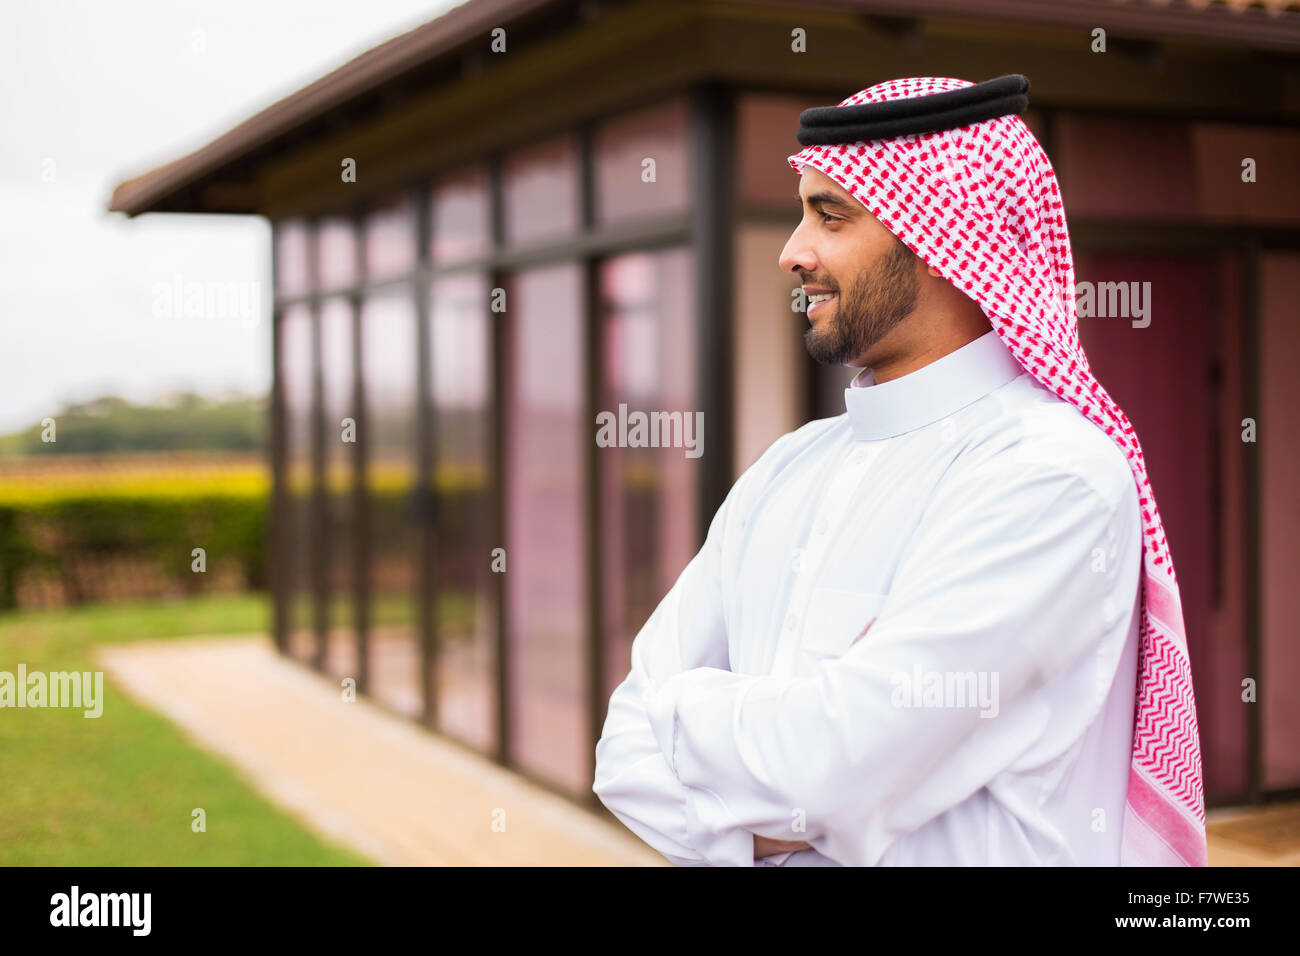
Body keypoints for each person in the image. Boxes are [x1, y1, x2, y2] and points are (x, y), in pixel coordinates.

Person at [592, 75, 1207, 867]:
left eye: (831, 216)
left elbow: (830, 767)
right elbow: (624, 749)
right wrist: (806, 786)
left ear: (945, 234)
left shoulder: (1054, 476)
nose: (792, 252)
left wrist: (712, 741)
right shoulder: (789, 467)